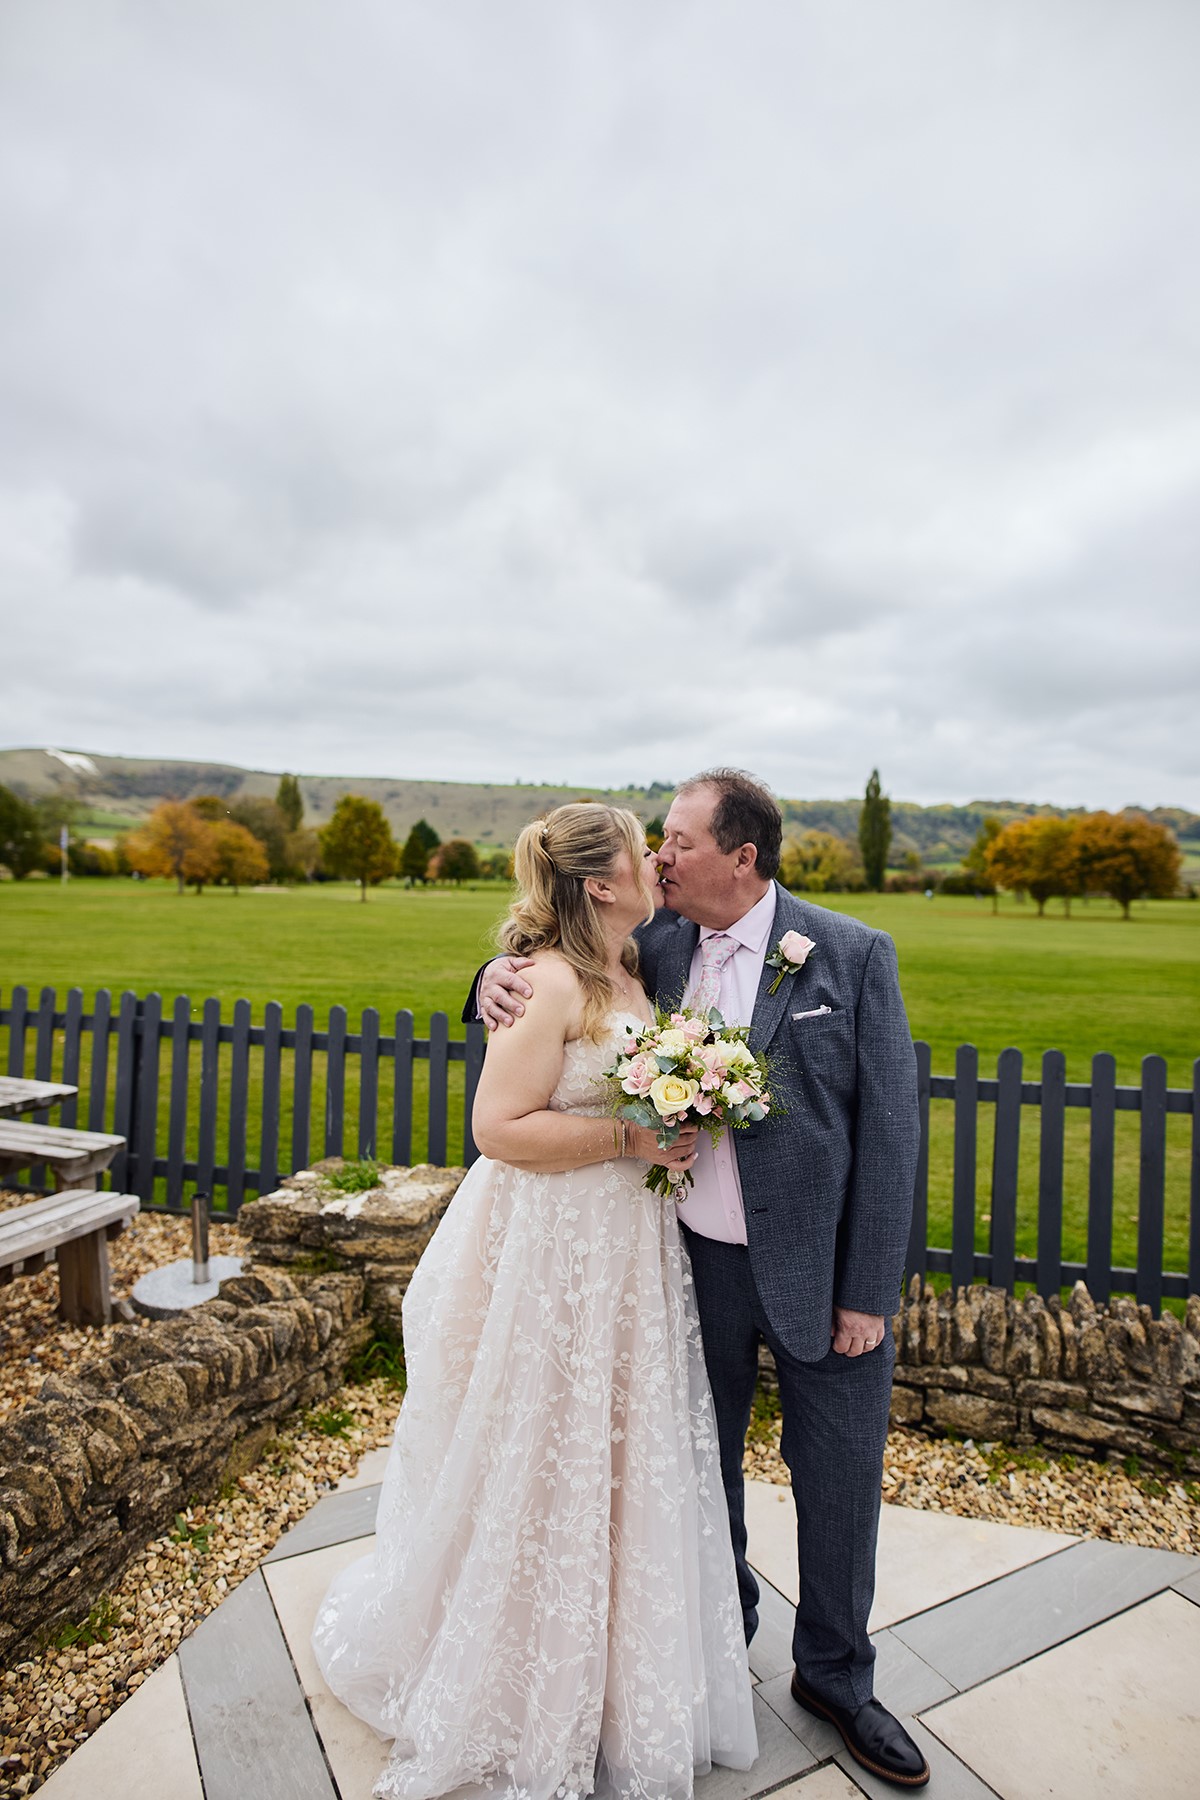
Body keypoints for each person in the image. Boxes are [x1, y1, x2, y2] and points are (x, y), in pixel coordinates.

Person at [476, 770, 928, 1790]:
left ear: (742, 858)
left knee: (841, 1482)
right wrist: (485, 980)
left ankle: (839, 1679)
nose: (661, 858)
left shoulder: (851, 955)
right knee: (693, 1473)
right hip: (684, 1272)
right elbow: (557, 968)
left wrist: (869, 1294)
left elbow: (894, 1137)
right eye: (656, 845)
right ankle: (720, 1636)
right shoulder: (654, 945)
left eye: (677, 841)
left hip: (824, 1280)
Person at [312, 802, 758, 1800]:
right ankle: (516, 1682)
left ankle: (608, 1677)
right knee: (541, 1452)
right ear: (601, 885)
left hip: (630, 1252)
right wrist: (631, 1141)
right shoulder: (551, 982)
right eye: (645, 852)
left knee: (617, 1455)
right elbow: (497, 1127)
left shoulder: (644, 964)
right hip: (559, 1252)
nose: (658, 862)